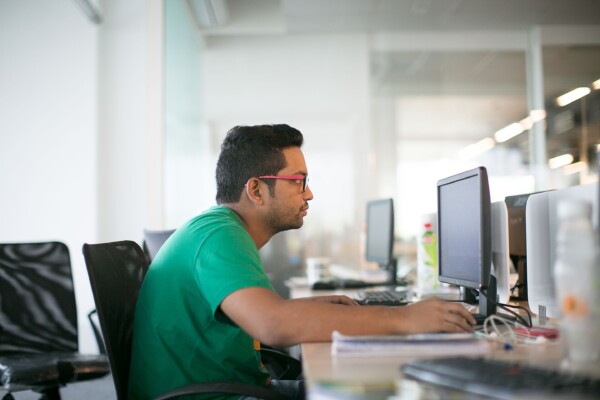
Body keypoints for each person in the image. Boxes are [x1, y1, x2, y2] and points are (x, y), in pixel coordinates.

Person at [128, 124, 476, 400]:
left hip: (229, 387)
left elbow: (263, 315)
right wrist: (406, 318)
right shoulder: (218, 236)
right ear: (256, 190)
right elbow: (273, 325)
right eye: (299, 181)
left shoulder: (218, 228)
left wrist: (307, 308)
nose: (309, 193)